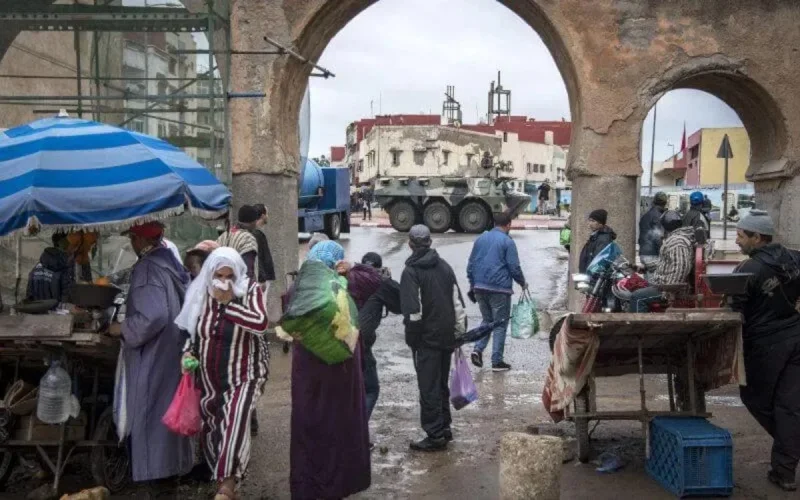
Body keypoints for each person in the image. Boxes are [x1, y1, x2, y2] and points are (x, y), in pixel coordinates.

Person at [175, 248, 269, 500]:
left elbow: (261, 323)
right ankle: (224, 485)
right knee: (213, 428)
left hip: (244, 373)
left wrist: (229, 305)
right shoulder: (202, 293)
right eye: (219, 276)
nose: (224, 281)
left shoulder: (249, 290)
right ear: (211, 274)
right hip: (209, 377)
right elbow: (193, 331)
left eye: (230, 276)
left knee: (234, 421)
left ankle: (227, 486)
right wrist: (187, 354)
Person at [109, 222, 194, 487]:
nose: (132, 244)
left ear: (139, 240)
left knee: (150, 414)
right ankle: (170, 472)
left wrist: (122, 328)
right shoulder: (173, 265)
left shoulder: (147, 268)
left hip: (153, 354)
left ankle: (155, 478)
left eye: (132, 239)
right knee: (168, 412)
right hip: (172, 351)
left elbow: (153, 316)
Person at [290, 240, 371, 499]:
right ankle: (335, 488)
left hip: (308, 378)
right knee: (338, 433)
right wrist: (351, 268)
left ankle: (307, 488)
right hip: (340, 377)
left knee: (308, 432)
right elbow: (374, 279)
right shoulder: (343, 287)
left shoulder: (298, 289)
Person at [729, 210, 800, 492]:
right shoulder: (794, 257)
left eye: (740, 235)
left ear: (757, 237)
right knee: (789, 406)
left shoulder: (748, 268)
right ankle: (784, 471)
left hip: (766, 345)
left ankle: (790, 448)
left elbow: (734, 310)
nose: (737, 240)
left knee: (754, 397)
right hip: (796, 338)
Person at [401, 225, 466, 452]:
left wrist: (412, 340)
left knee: (428, 387)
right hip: (446, 337)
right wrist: (459, 333)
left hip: (426, 340)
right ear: (429, 242)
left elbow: (413, 313)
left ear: (410, 244)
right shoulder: (444, 267)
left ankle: (435, 434)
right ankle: (444, 427)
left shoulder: (411, 272)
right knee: (440, 385)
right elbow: (457, 304)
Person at [466, 213, 527, 372]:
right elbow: (514, 267)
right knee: (500, 324)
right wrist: (522, 283)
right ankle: (497, 361)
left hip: (479, 287)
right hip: (499, 289)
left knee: (487, 320)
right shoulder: (507, 241)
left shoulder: (480, 239)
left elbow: (471, 264)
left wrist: (473, 285)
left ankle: (477, 349)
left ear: (494, 224)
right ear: (509, 225)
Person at [359, 252, 402, 421]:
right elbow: (400, 306)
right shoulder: (379, 283)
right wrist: (388, 280)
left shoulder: (349, 277)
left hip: (339, 339)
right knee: (371, 390)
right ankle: (357, 430)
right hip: (360, 343)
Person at [627, 210, 696, 312]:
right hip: (662, 285)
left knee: (637, 297)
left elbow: (681, 268)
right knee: (636, 287)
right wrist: (645, 267)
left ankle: (639, 322)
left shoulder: (677, 242)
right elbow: (666, 262)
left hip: (667, 289)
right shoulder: (675, 239)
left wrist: (668, 292)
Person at [26, 232, 75, 305]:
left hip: (38, 309)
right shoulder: (65, 268)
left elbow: (29, 295)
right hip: (59, 310)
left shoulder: (36, 268)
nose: (74, 246)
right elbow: (68, 295)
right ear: (65, 244)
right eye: (72, 242)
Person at [217, 206, 260, 279]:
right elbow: (247, 270)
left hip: (221, 281)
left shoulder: (223, 236)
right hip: (239, 282)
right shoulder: (248, 238)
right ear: (253, 222)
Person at [248, 203, 276, 295]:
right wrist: (261, 279)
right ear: (263, 216)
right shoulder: (256, 234)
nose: (268, 216)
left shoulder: (255, 233)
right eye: (267, 214)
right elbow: (258, 257)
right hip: (262, 279)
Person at [639, 192, 668, 279]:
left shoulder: (646, 215)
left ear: (654, 201)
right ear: (665, 203)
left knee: (647, 281)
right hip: (653, 254)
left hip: (643, 252)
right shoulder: (659, 217)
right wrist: (663, 253)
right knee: (654, 284)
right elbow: (658, 237)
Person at [578, 209, 617, 274]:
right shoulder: (596, 235)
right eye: (589, 220)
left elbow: (598, 260)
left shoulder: (603, 238)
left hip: (593, 275)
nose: (590, 223)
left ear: (600, 223)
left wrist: (591, 273)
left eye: (593, 221)